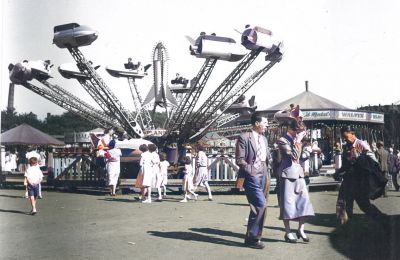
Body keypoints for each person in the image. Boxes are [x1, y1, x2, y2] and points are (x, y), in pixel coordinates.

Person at [335, 126, 387, 224]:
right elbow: (346, 163)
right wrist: (339, 171)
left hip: (359, 179)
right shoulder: (346, 146)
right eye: (343, 137)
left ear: (352, 133)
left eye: (346, 136)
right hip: (348, 179)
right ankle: (344, 224)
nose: (345, 139)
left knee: (363, 204)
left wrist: (359, 157)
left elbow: (373, 162)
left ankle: (381, 218)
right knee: (343, 202)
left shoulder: (361, 144)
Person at [235, 112, 270, 249]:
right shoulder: (244, 137)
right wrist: (251, 170)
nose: (267, 125)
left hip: (264, 173)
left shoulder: (264, 139)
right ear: (256, 123)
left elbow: (266, 157)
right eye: (265, 123)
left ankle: (254, 237)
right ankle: (253, 237)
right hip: (252, 174)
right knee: (261, 205)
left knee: (257, 206)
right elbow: (239, 159)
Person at [277, 120, 315, 244]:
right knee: (287, 204)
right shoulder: (282, 140)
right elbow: (293, 156)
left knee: (304, 202)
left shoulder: (299, 140)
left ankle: (301, 229)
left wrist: (304, 148)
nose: (302, 134)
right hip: (287, 175)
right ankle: (288, 232)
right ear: (292, 129)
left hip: (299, 174)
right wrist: (298, 142)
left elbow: (303, 155)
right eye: (300, 132)